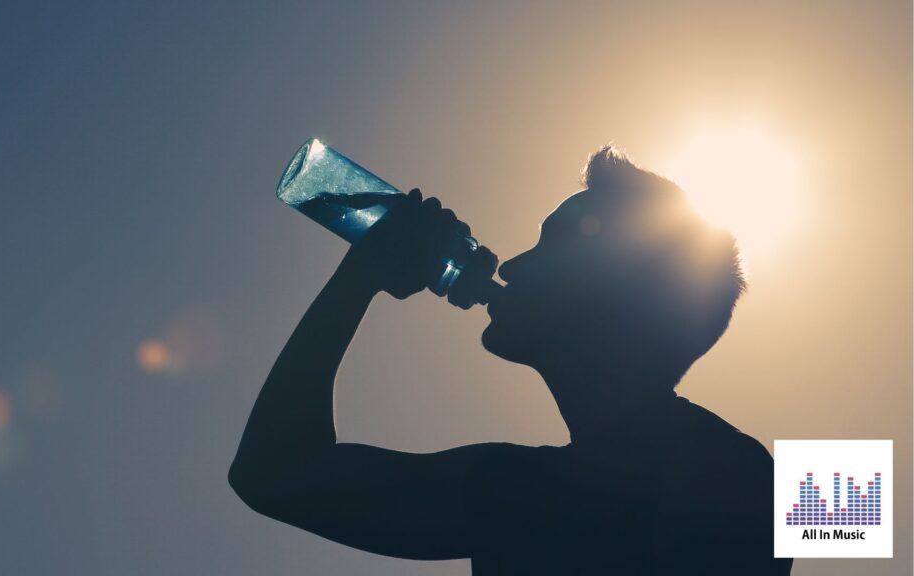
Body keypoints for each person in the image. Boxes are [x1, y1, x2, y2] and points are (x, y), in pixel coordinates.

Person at [229, 146, 793, 575]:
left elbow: (274, 474)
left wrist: (358, 282)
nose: (513, 266)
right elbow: (270, 477)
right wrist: (360, 277)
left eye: (550, 246)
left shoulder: (527, 495)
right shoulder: (526, 489)